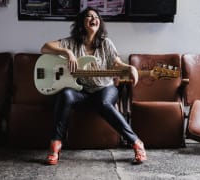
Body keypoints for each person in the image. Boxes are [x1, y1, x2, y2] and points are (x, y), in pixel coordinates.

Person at [40, 7, 147, 165]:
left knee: (103, 102)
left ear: (100, 23)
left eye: (96, 17)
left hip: (105, 89)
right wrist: (68, 53)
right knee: (65, 94)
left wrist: (129, 68)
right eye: (89, 16)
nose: (93, 19)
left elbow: (116, 64)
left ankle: (136, 142)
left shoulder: (106, 43)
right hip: (81, 91)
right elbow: (44, 47)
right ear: (82, 23)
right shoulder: (71, 43)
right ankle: (55, 145)